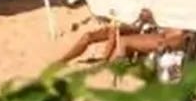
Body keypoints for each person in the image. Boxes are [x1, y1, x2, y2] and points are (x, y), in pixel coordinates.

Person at [57, 9, 186, 64]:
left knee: (117, 36)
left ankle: (106, 62)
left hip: (140, 29)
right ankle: (63, 60)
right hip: (129, 24)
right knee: (88, 36)